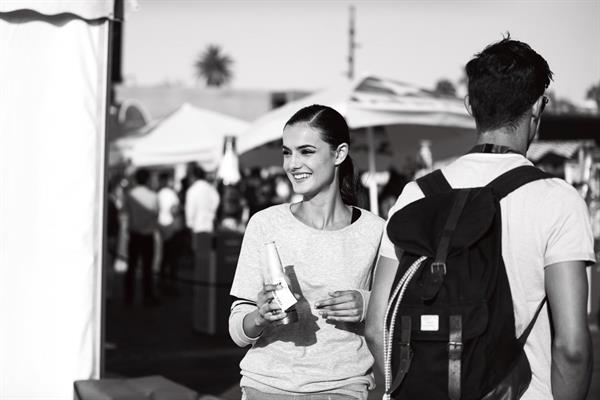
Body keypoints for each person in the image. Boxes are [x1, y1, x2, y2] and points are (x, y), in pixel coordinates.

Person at [366, 35, 595, 400]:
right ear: (537, 107)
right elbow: (571, 348)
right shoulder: (558, 201)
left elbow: (378, 327)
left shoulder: (416, 194)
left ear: (470, 105)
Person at [229, 104, 385, 400]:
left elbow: (397, 314)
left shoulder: (375, 231)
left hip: (344, 387)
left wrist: (366, 304)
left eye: (306, 151)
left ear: (339, 153)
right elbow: (237, 329)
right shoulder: (265, 223)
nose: (292, 164)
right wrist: (259, 317)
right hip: (266, 386)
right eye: (287, 152)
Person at [122, 168, 160, 306]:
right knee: (147, 268)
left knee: (131, 267)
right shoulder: (153, 196)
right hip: (148, 236)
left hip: (135, 235)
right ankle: (147, 296)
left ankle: (128, 297)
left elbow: (125, 214)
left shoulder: (130, 195)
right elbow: (156, 215)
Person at [185, 164, 220, 271]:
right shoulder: (210, 188)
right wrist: (212, 214)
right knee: (207, 256)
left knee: (199, 256)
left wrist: (190, 224)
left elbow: (190, 209)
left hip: (198, 227)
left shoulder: (192, 190)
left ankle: (201, 279)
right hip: (209, 225)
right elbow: (216, 201)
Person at [157, 171, 182, 294]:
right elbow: (174, 210)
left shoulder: (158, 194)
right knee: (172, 259)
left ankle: (162, 282)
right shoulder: (171, 194)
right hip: (171, 227)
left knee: (164, 257)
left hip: (161, 228)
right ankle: (172, 284)